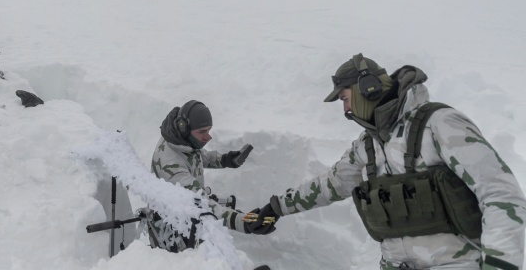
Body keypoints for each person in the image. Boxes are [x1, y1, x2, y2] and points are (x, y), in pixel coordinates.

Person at [256, 54, 526, 270]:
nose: (345, 109)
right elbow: (331, 185)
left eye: (345, 99)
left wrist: (499, 264)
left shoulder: (439, 124)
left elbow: (501, 194)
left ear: (368, 89)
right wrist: (277, 207)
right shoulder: (368, 145)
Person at [149, 100, 275, 252]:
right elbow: (201, 203)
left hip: (188, 220)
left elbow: (194, 155)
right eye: (202, 132)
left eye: (208, 131)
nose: (207, 137)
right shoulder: (170, 165)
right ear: (183, 127)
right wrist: (242, 222)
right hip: (174, 235)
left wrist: (224, 159)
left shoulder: (178, 138)